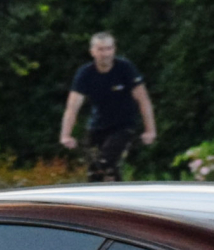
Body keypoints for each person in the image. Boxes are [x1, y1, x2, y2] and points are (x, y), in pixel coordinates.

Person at [60, 33, 156, 182]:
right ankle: (102, 200)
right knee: (96, 170)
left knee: (105, 162)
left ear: (114, 50)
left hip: (123, 125)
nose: (105, 54)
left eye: (108, 49)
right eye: (100, 49)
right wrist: (65, 134)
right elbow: (72, 107)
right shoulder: (85, 74)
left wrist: (150, 130)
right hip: (98, 125)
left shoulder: (125, 68)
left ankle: (116, 199)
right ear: (92, 51)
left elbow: (143, 100)